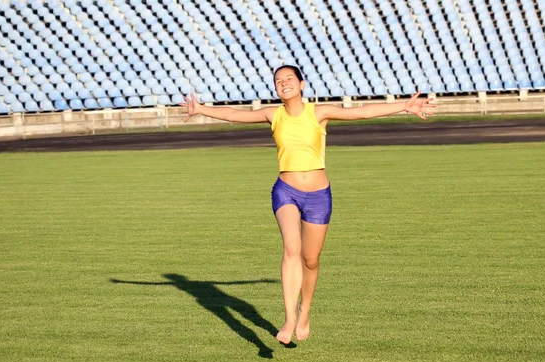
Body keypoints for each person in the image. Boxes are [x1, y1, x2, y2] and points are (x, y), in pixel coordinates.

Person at [181, 65, 436, 345]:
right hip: (286, 191)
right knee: (292, 249)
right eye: (278, 81)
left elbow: (361, 112)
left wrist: (404, 106)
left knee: (310, 260)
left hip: (318, 196)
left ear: (301, 84)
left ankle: (305, 310)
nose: (283, 83)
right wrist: (201, 108)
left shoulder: (318, 112)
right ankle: (290, 316)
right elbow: (234, 114)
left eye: (289, 79)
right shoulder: (272, 114)